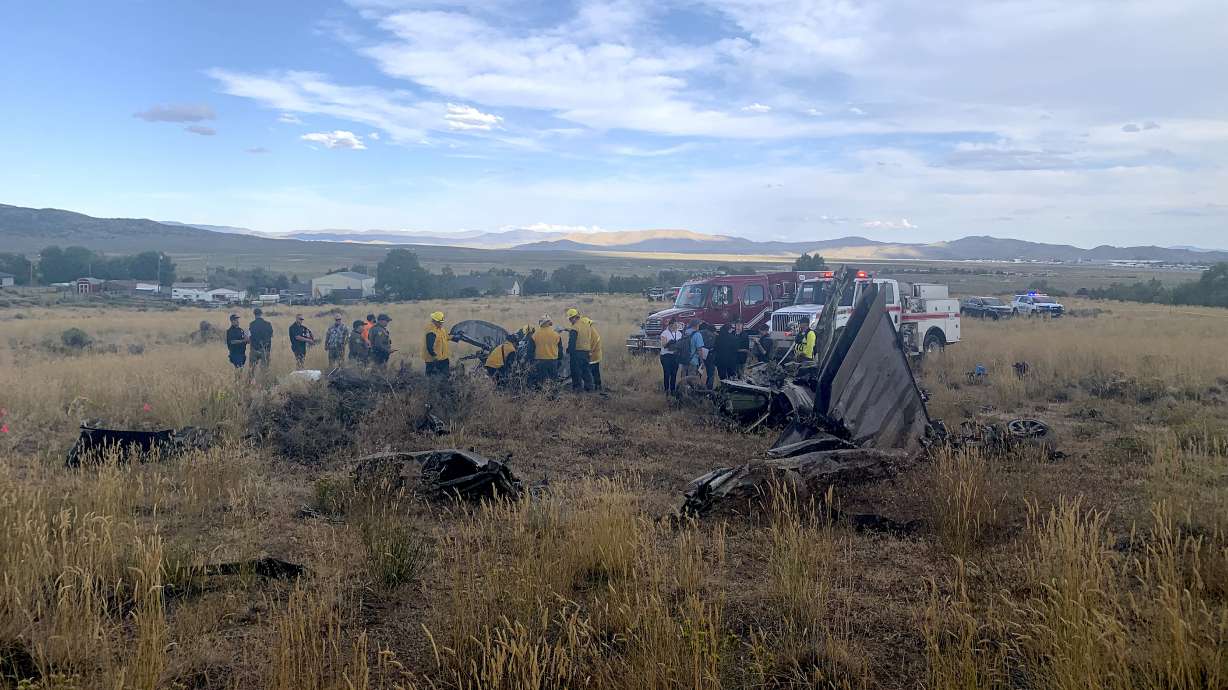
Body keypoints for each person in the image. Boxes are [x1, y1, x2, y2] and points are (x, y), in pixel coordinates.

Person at [565, 308, 594, 392]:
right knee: (586, 370)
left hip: (577, 353)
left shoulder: (575, 327)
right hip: (586, 352)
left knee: (576, 371)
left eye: (570, 319)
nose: (570, 321)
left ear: (574, 317)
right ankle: (589, 388)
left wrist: (569, 351)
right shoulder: (586, 324)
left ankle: (577, 389)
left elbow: (572, 342)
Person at [530, 315, 562, 389]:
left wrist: (531, 362)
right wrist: (559, 360)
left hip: (540, 362)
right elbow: (560, 350)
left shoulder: (535, 335)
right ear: (549, 323)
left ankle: (542, 397)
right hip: (553, 361)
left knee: (541, 381)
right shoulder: (556, 335)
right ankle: (554, 397)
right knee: (553, 381)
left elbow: (530, 351)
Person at [658, 318, 683, 395]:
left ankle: (672, 390)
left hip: (675, 355)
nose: (676, 327)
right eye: (674, 325)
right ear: (670, 325)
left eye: (677, 325)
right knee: (667, 373)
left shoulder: (679, 333)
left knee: (674, 373)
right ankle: (666, 389)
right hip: (666, 356)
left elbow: (681, 344)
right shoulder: (664, 333)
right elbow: (664, 345)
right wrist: (670, 343)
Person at [422, 311, 450, 377]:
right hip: (433, 360)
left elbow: (446, 337)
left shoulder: (441, 329)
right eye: (439, 322)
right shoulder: (431, 332)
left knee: (445, 377)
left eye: (442, 322)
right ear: (434, 321)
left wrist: (455, 336)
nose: (441, 323)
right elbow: (429, 348)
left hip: (443, 359)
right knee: (432, 379)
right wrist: (435, 357)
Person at [582, 315, 602, 390]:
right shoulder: (591, 330)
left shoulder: (589, 332)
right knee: (596, 371)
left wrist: (587, 353)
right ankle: (598, 386)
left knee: (591, 371)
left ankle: (592, 387)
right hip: (596, 355)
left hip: (593, 355)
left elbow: (590, 345)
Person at [700, 322, 717, 389]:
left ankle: (698, 386)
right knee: (710, 373)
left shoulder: (700, 332)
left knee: (699, 370)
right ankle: (709, 388)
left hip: (701, 353)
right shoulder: (714, 335)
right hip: (710, 354)